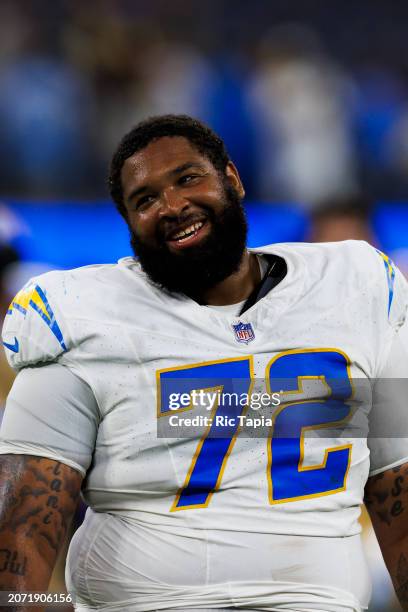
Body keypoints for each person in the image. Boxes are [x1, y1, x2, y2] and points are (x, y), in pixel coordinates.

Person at [1, 115, 408, 612]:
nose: (172, 206)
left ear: (231, 178)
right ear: (128, 224)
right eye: (145, 200)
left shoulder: (357, 289)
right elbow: (22, 534)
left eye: (187, 178)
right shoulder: (82, 318)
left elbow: (397, 485)